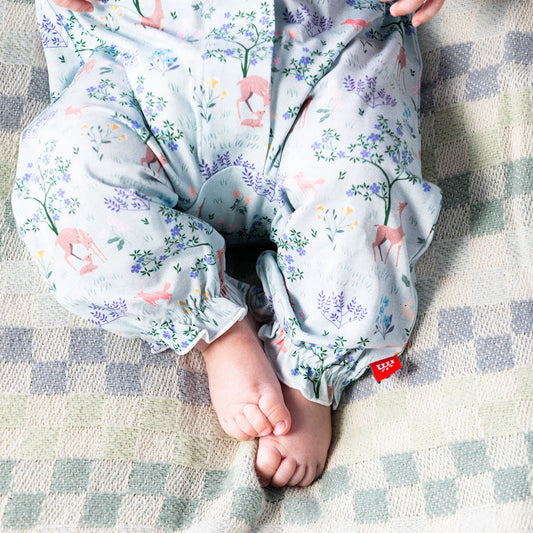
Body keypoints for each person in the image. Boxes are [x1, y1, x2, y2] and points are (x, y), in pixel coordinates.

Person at [12, 0, 444, 487]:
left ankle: (309, 370)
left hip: (321, 56)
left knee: (369, 192)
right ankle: (219, 330)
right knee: (63, 179)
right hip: (144, 65)